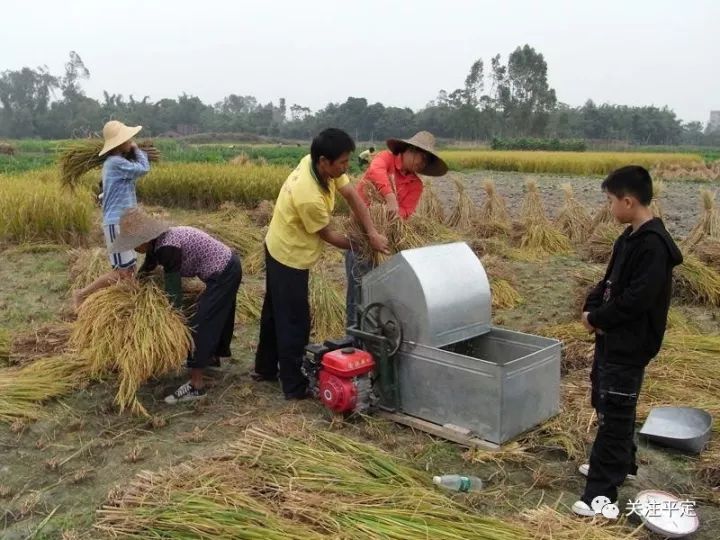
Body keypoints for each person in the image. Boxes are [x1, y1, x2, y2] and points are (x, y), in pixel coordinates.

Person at [572, 166, 683, 517]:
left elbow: (637, 300)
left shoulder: (654, 247)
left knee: (615, 413)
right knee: (604, 402)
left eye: (610, 201)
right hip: (611, 339)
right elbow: (608, 283)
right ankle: (618, 464)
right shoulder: (628, 238)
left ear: (629, 201)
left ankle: (600, 496)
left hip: (629, 344)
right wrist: (590, 309)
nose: (609, 208)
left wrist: (600, 319)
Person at [253, 128, 389, 400]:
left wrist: (372, 231)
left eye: (347, 161)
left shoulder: (319, 164)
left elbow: (353, 197)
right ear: (324, 161)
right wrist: (362, 245)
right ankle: (294, 386)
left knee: (274, 312)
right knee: (294, 320)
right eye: (342, 163)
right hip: (287, 254)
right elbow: (328, 235)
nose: (346, 167)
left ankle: (265, 369)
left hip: (279, 242)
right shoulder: (308, 194)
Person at [111, 208, 243, 404]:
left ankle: (196, 386)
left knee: (200, 323)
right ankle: (210, 358)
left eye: (133, 243)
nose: (134, 248)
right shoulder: (158, 244)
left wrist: (174, 317)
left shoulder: (166, 247)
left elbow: (174, 290)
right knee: (216, 314)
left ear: (144, 238)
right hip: (227, 266)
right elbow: (147, 270)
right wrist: (134, 293)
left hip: (224, 271)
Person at [346, 131, 447, 328]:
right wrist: (390, 197)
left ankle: (377, 340)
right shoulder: (385, 159)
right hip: (360, 238)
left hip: (386, 245)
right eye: (422, 157)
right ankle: (354, 341)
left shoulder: (416, 185)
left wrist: (387, 217)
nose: (422, 164)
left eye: (427, 161)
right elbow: (375, 171)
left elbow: (406, 213)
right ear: (409, 150)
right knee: (358, 293)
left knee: (382, 294)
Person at [73, 120, 150, 308]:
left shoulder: (118, 162)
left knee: (130, 269)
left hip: (125, 222)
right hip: (116, 223)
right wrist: (138, 150)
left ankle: (123, 304)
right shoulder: (115, 163)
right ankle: (81, 295)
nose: (131, 140)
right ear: (120, 143)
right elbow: (144, 168)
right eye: (128, 139)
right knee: (121, 273)